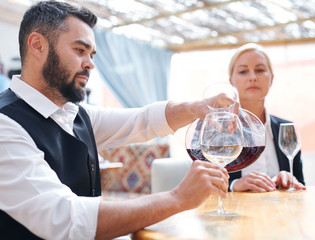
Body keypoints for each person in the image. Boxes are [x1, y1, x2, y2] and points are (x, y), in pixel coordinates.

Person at [0, 1, 230, 239]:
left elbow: (142, 120)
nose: (90, 63)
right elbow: (66, 219)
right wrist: (178, 198)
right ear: (38, 45)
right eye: (80, 50)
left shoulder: (76, 114)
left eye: (91, 54)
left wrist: (198, 108)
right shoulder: (5, 124)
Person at [228, 43, 306, 192]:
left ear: (272, 78)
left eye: (260, 70)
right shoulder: (217, 129)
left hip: (279, 213)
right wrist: (234, 184)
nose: (252, 77)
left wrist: (289, 179)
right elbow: (201, 185)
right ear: (231, 80)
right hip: (235, 213)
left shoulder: (287, 129)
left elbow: (301, 184)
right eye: (243, 71)